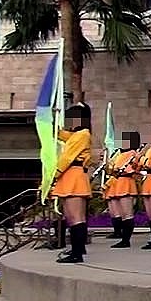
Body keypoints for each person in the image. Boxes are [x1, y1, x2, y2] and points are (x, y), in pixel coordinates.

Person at [52, 103, 93, 264]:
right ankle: (77, 249)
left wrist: (54, 174)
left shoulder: (83, 134)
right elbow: (62, 135)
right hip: (70, 176)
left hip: (73, 175)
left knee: (76, 217)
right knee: (71, 217)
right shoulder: (77, 135)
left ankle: (77, 253)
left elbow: (67, 157)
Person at [105, 132, 142, 249]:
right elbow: (112, 169)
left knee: (127, 213)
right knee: (120, 212)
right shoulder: (120, 154)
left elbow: (133, 168)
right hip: (118, 183)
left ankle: (126, 240)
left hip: (126, 182)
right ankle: (121, 236)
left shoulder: (132, 153)